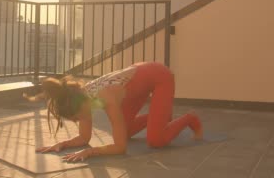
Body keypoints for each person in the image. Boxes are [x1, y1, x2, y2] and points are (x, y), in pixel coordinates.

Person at [31, 62, 202, 162]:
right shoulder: (81, 98)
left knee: (155, 140)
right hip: (136, 84)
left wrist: (91, 151)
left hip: (159, 76)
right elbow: (84, 138)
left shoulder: (105, 98)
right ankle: (162, 117)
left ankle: (190, 118)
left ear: (80, 106)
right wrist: (63, 144)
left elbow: (120, 148)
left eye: (76, 117)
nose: (77, 121)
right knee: (125, 132)